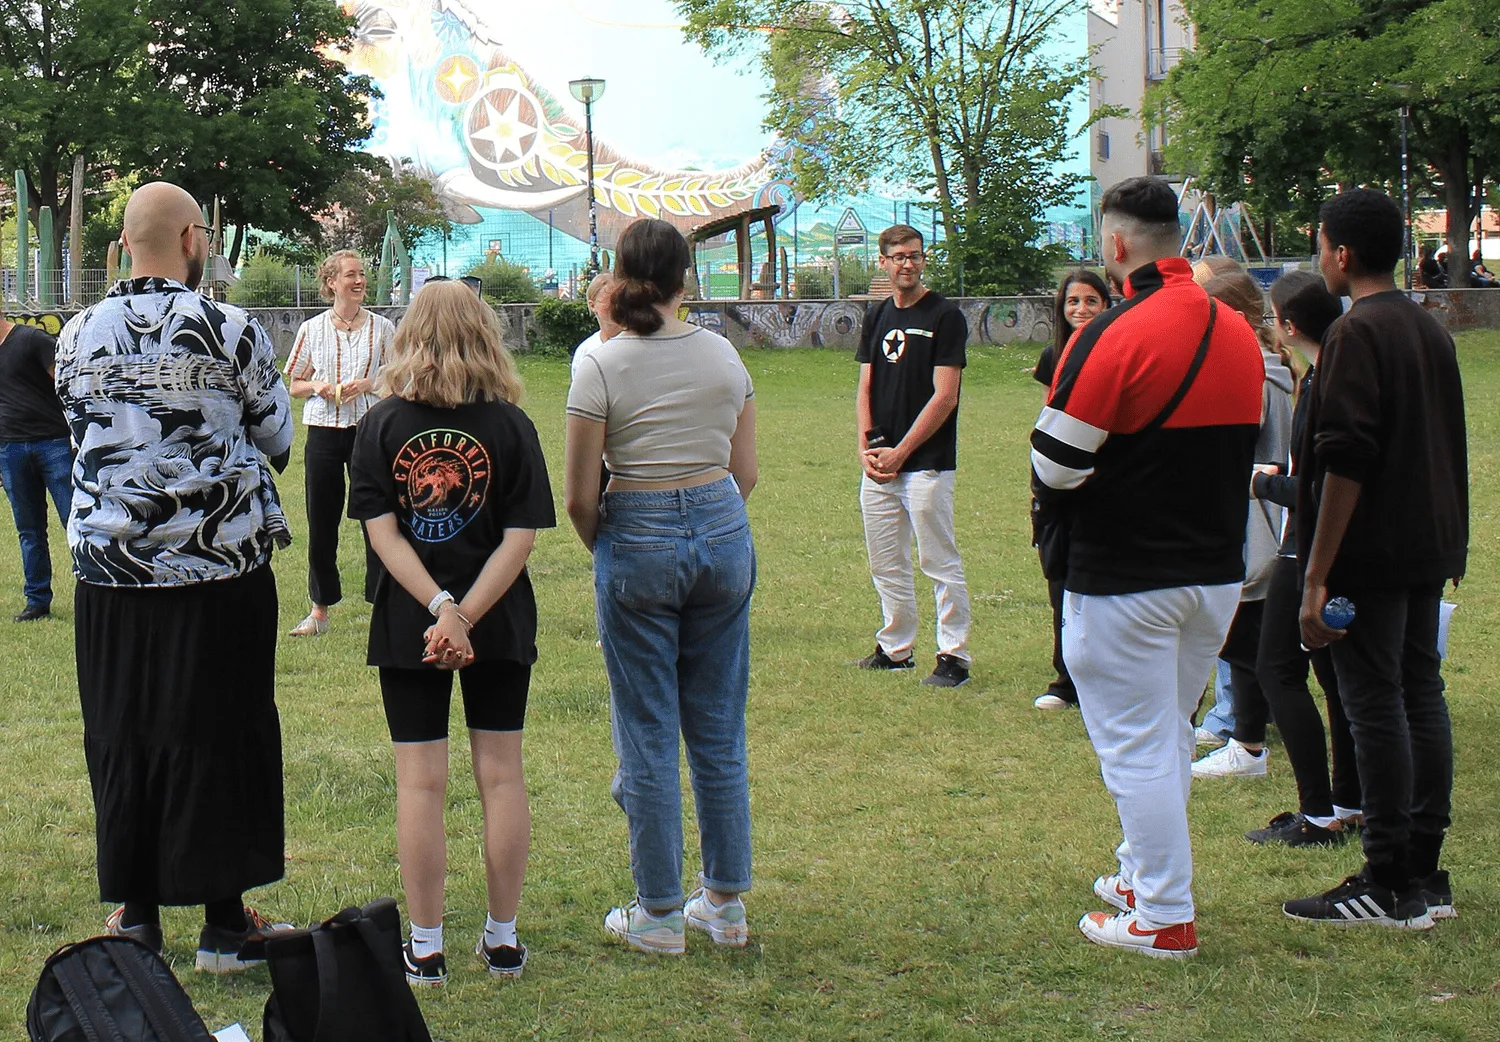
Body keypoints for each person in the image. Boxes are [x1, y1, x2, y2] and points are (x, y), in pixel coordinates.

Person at [54, 182, 294, 969]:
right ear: (195, 238)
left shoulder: (75, 335)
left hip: (111, 575)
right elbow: (278, 436)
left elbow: (80, 435)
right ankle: (226, 922)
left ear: (125, 245)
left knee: (123, 735)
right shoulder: (231, 329)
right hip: (218, 570)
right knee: (224, 732)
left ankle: (139, 916)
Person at [1030, 176, 1264, 958]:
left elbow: (1056, 464)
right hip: (1217, 572)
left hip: (1126, 575)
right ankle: (1141, 875)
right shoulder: (1235, 328)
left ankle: (1164, 914)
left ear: (1117, 245)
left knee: (1136, 747)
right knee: (1164, 733)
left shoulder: (1115, 333)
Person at [349, 280, 554, 985]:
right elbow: (520, 537)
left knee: (420, 786)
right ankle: (502, 941)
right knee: (501, 778)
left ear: (409, 333)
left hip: (416, 620)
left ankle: (427, 947)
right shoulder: (512, 426)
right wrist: (463, 613)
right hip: (493, 619)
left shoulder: (379, 423)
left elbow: (384, 535)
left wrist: (441, 608)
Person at [564, 217, 758, 955]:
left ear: (620, 275)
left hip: (635, 525)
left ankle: (657, 912)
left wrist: (610, 547)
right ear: (687, 278)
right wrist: (707, 522)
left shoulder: (602, 364)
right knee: (717, 728)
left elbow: (582, 495)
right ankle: (726, 903)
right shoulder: (723, 355)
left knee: (645, 730)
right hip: (721, 524)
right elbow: (747, 472)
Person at [1286, 189, 1467, 928]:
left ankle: (1389, 877)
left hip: (1370, 553)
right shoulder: (1428, 329)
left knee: (1375, 703)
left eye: (1320, 242)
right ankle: (1424, 872)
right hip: (1426, 544)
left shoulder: (1358, 334)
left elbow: (1346, 459)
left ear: (1341, 253)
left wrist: (1319, 570)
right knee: (1419, 693)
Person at [1242, 270, 1361, 847]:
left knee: (1278, 670)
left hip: (1307, 549)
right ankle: (1348, 801)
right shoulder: (1328, 375)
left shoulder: (1321, 384)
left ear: (1288, 326)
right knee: (1334, 679)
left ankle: (1318, 812)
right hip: (1327, 545)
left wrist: (1265, 484)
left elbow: (1324, 486)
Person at [852, 224, 972, 687]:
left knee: (938, 560)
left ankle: (953, 657)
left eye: (915, 256)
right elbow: (866, 384)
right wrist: (868, 447)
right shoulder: (877, 315)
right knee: (886, 560)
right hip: (881, 465)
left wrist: (902, 452)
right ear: (882, 262)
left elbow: (945, 397)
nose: (907, 264)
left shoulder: (945, 316)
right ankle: (895, 648)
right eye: (898, 256)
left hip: (927, 463)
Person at [1190, 264, 1294, 779]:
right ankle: (1240, 728)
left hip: (1258, 515)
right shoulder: (1272, 364)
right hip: (1262, 513)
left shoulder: (1252, 367)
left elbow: (1234, 440)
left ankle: (1246, 740)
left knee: (1250, 634)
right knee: (1252, 635)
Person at [284, 250, 395, 636]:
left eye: (362, 274)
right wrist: (319, 386)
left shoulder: (382, 328)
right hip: (323, 434)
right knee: (322, 519)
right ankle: (319, 610)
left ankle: (384, 601)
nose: (360, 281)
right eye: (351, 275)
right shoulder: (311, 329)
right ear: (332, 282)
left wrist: (368, 384)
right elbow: (294, 382)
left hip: (369, 432)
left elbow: (398, 377)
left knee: (377, 516)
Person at [1032, 271, 1111, 710]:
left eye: (1091, 301)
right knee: (1058, 573)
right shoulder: (1054, 356)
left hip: (1101, 474)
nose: (1080, 310)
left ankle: (1103, 675)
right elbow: (1048, 415)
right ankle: (1067, 678)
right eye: (1073, 302)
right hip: (1058, 479)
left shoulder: (1114, 350)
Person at [0, 314, 73, 621]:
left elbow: (69, 384)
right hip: (10, 449)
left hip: (53, 444)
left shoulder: (32, 340)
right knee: (29, 530)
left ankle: (95, 590)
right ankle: (37, 601)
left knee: (76, 523)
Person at [572, 270, 621, 379]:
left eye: (619, 300)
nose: (615, 307)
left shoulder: (638, 343)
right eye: (608, 301)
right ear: (593, 306)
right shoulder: (585, 351)